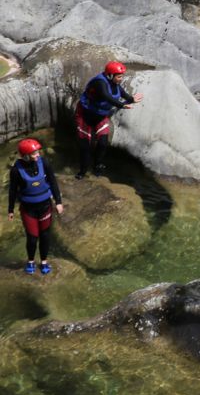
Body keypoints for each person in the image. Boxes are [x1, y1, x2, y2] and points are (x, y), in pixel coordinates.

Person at [75, 60, 144, 179]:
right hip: (85, 116)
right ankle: (82, 171)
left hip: (100, 116)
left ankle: (97, 166)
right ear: (110, 75)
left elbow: (123, 94)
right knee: (85, 147)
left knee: (102, 143)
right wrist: (121, 105)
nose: (121, 79)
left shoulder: (115, 83)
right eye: (119, 76)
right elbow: (106, 96)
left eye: (122, 76)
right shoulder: (100, 83)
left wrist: (132, 99)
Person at [7, 138, 64, 274]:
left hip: (45, 206)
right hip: (28, 209)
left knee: (45, 236)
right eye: (34, 153)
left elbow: (53, 182)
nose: (38, 154)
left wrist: (58, 201)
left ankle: (44, 262)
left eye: (37, 152)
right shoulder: (16, 170)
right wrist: (10, 209)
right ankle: (31, 261)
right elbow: (13, 190)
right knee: (32, 238)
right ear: (26, 156)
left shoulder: (44, 163)